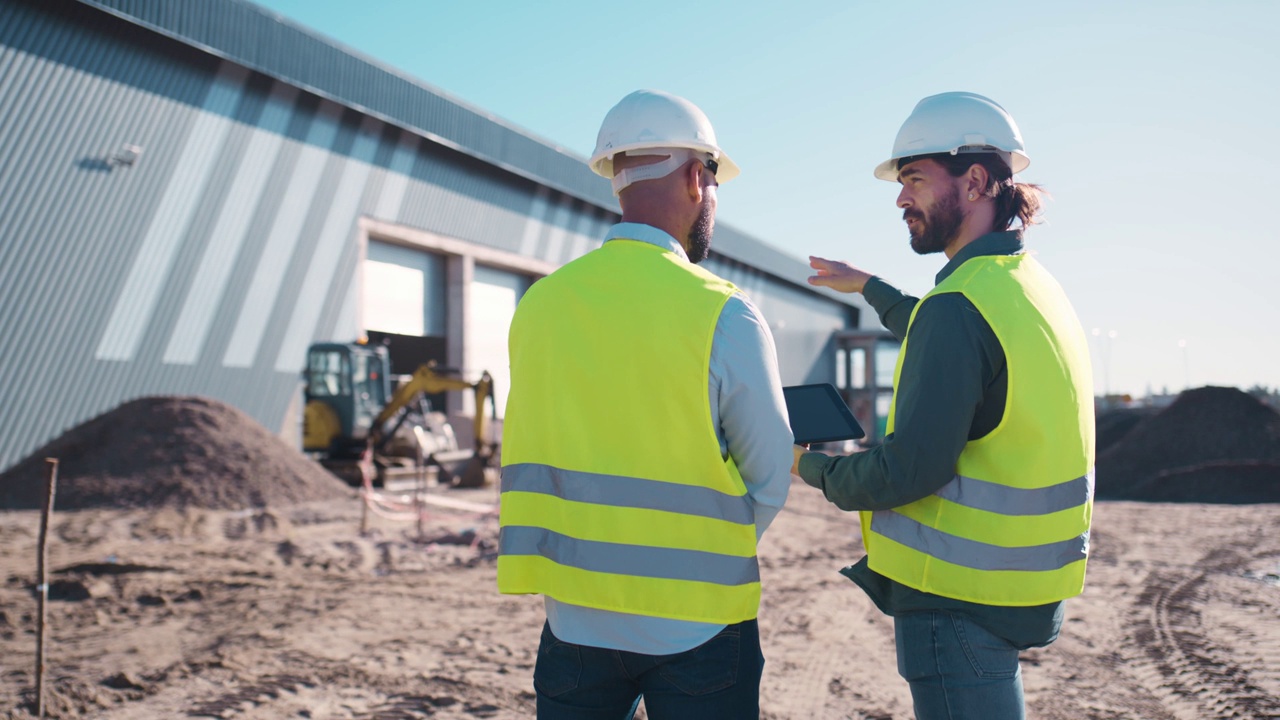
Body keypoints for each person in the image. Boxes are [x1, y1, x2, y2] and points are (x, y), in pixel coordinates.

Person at [793, 92, 1095, 720]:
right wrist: (870, 287)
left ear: (977, 180)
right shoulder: (1027, 285)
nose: (901, 199)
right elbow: (958, 345)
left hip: (955, 594)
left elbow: (906, 472)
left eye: (914, 180)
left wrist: (807, 465)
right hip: (1025, 587)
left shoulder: (959, 307)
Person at [498, 89, 793, 719]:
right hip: (699, 628)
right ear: (696, 177)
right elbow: (768, 480)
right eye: (715, 181)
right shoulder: (725, 312)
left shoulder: (540, 305)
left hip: (574, 622)